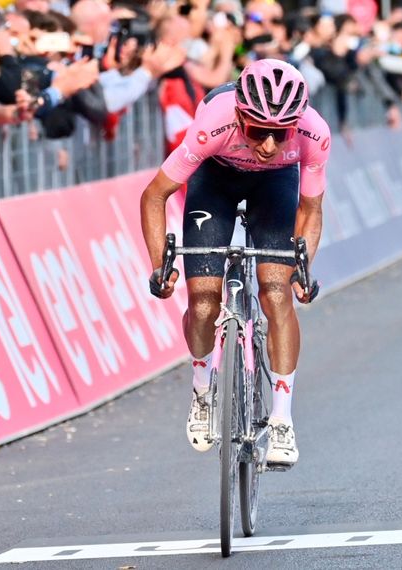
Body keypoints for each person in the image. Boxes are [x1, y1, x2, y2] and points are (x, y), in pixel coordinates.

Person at [140, 59, 330, 465]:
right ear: (241, 114)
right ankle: (203, 390)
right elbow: (154, 195)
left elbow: (311, 208)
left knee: (278, 295)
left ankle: (281, 420)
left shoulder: (314, 133)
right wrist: (161, 264)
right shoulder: (214, 123)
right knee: (205, 299)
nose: (267, 144)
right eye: (258, 130)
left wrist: (303, 267)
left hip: (275, 184)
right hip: (216, 178)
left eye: (280, 134)